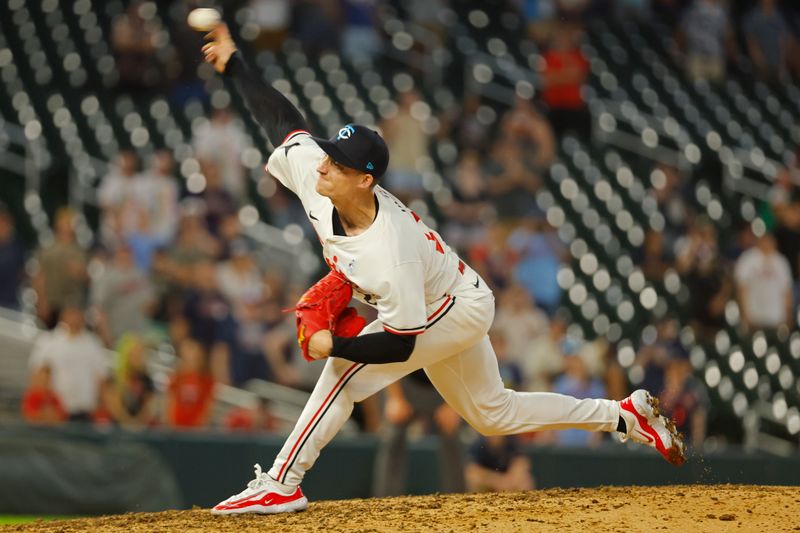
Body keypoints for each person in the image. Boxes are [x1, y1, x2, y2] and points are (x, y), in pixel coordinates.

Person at [201, 24, 685, 516]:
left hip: (453, 306)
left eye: (338, 164)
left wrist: (339, 345)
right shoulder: (318, 175)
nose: (323, 166)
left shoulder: (391, 252)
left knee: (343, 373)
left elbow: (402, 342)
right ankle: (624, 416)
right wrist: (236, 65)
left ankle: (283, 482)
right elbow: (282, 119)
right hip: (449, 293)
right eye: (328, 155)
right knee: (493, 413)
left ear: (365, 180)